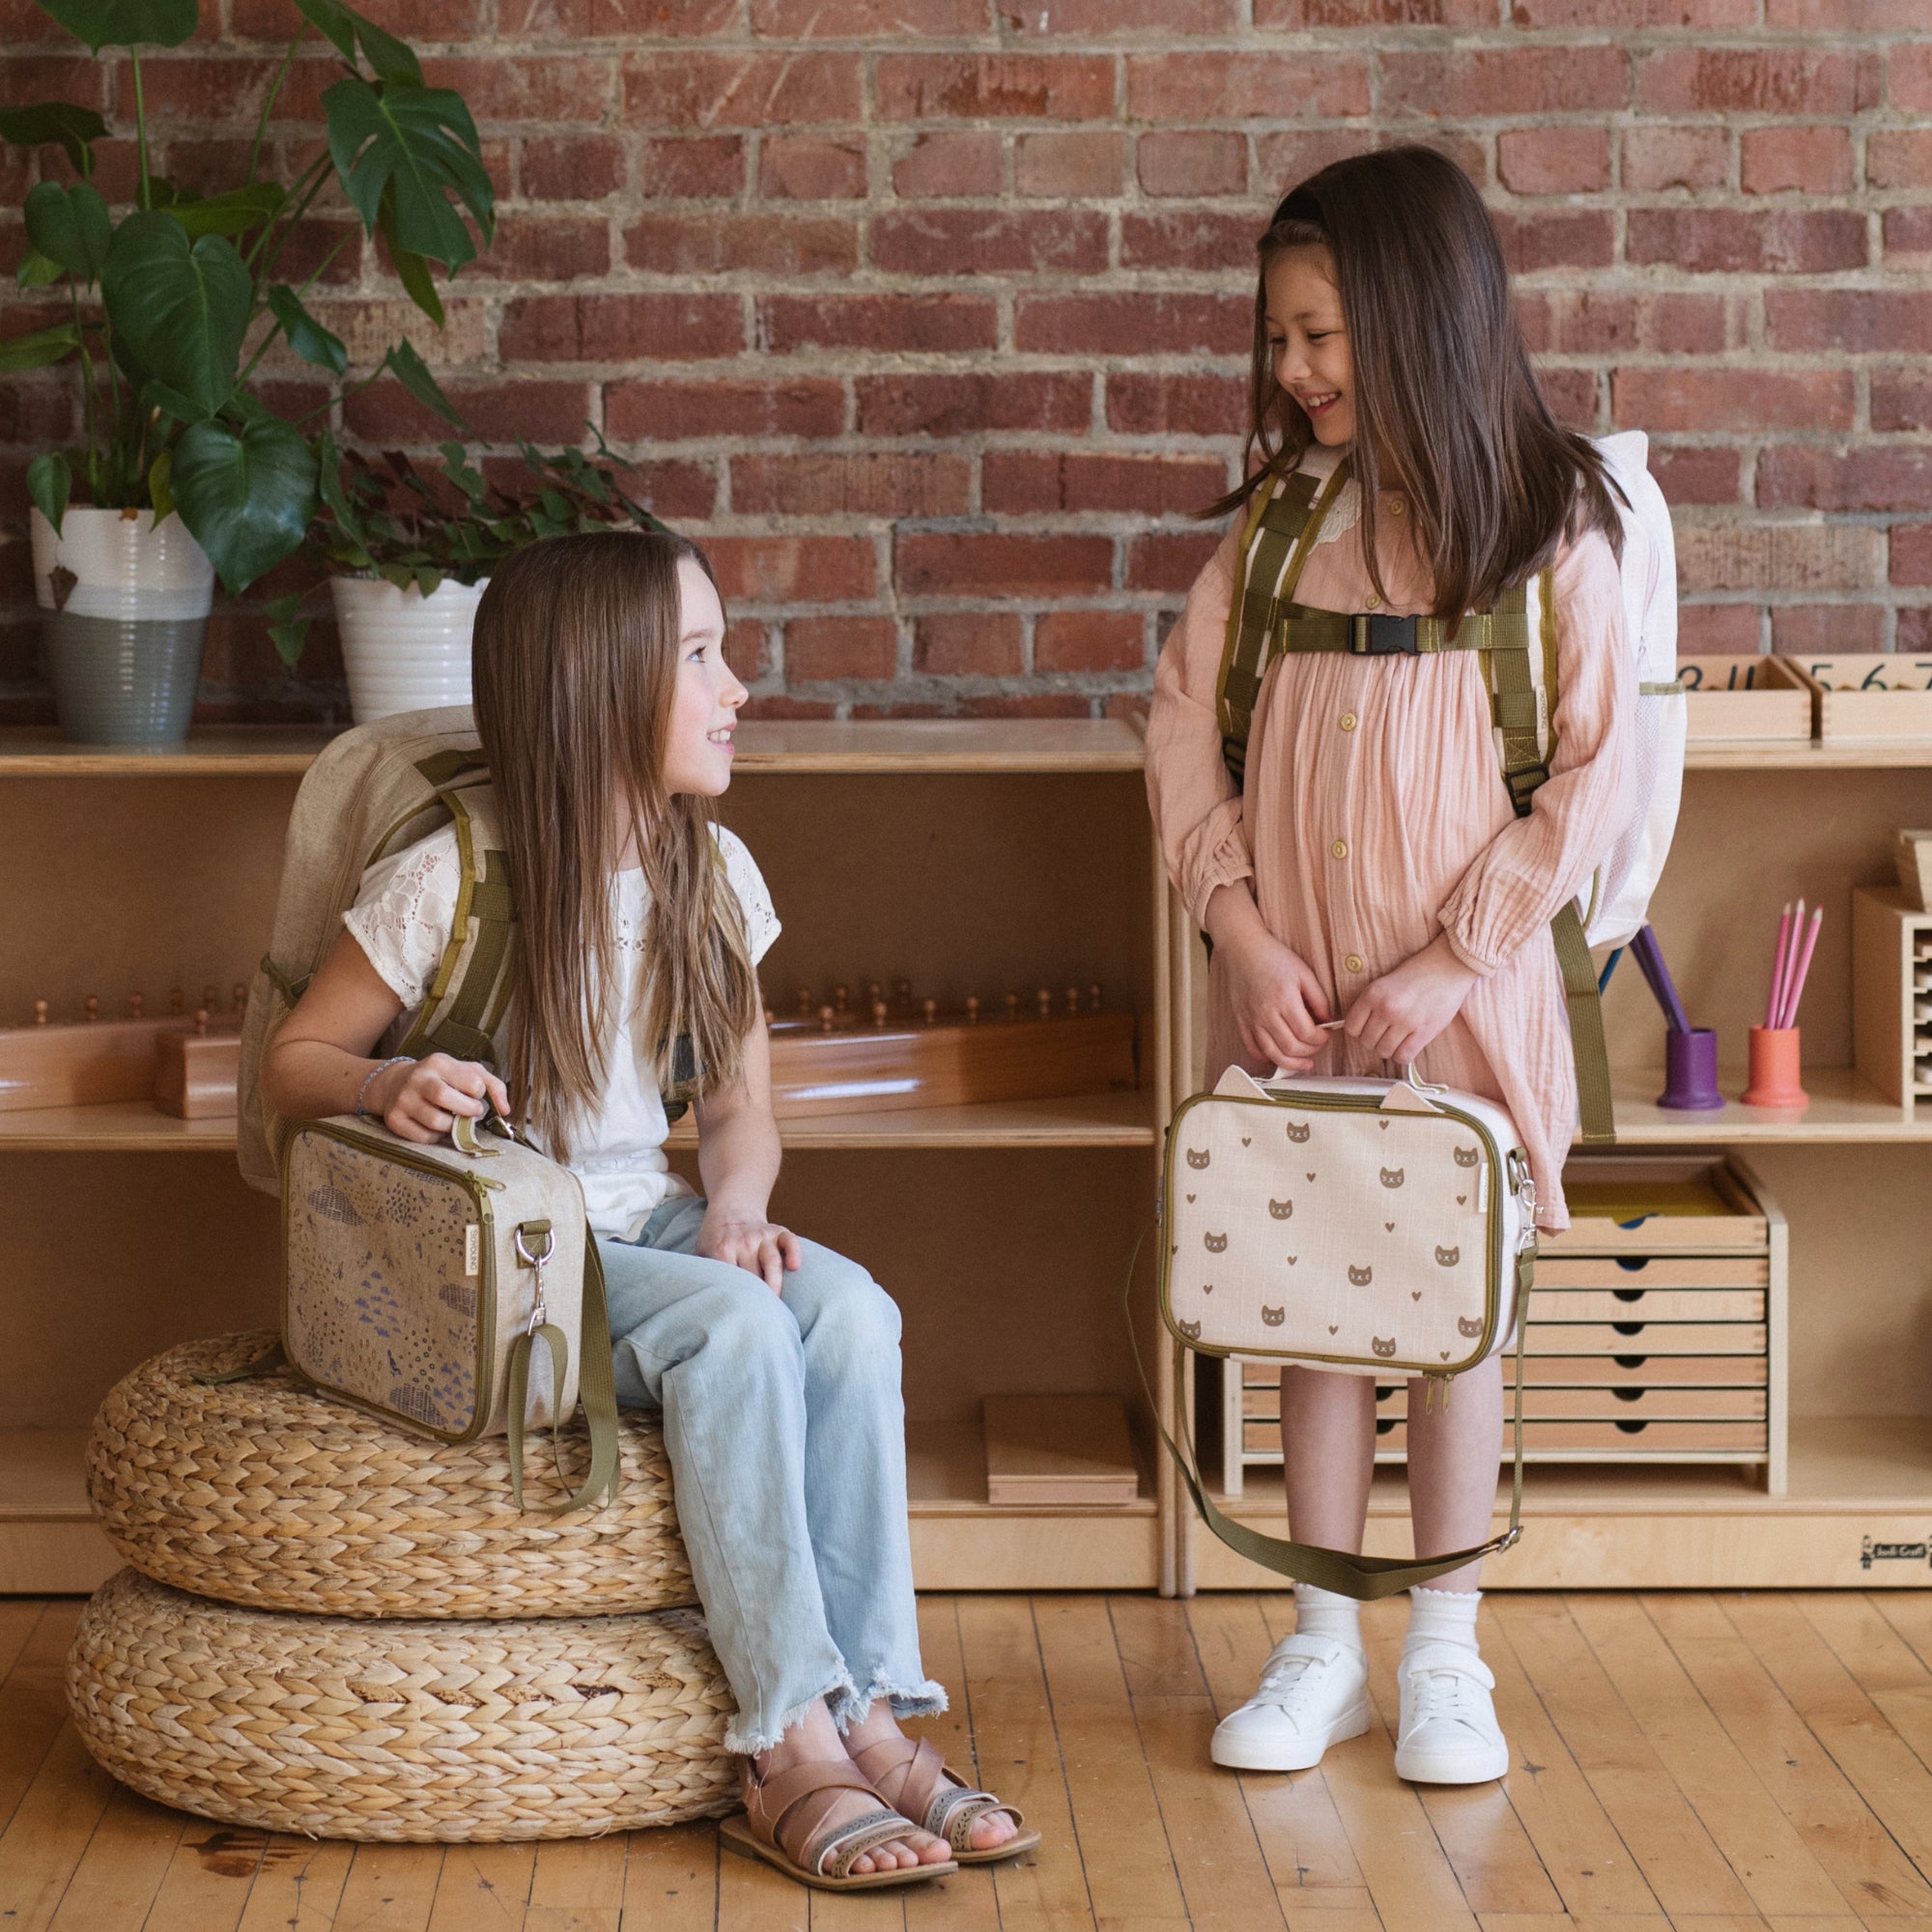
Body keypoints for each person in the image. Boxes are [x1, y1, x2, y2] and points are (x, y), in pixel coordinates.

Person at [261, 530, 1033, 1890]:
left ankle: (869, 1705)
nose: (738, 686)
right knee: (738, 1334)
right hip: (498, 1265)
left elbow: (739, 1114)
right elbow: (289, 1068)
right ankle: (786, 1742)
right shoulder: (450, 875)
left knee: (850, 1312)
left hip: (647, 1233)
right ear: (593, 685)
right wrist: (388, 1083)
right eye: (699, 657)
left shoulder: (712, 874)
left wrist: (737, 1209)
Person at [1146, 147, 1635, 1785]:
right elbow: (1180, 740)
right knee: (1313, 1310)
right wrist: (1237, 924)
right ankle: (1319, 1642)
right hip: (1296, 998)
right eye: (1278, 340)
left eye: (1321, 338)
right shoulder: (1276, 538)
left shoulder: (1545, 533)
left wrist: (1453, 960)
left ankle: (1444, 1651)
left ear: (1421, 321)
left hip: (1461, 1008)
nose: (1291, 373)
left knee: (1449, 1318)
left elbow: (1586, 778)